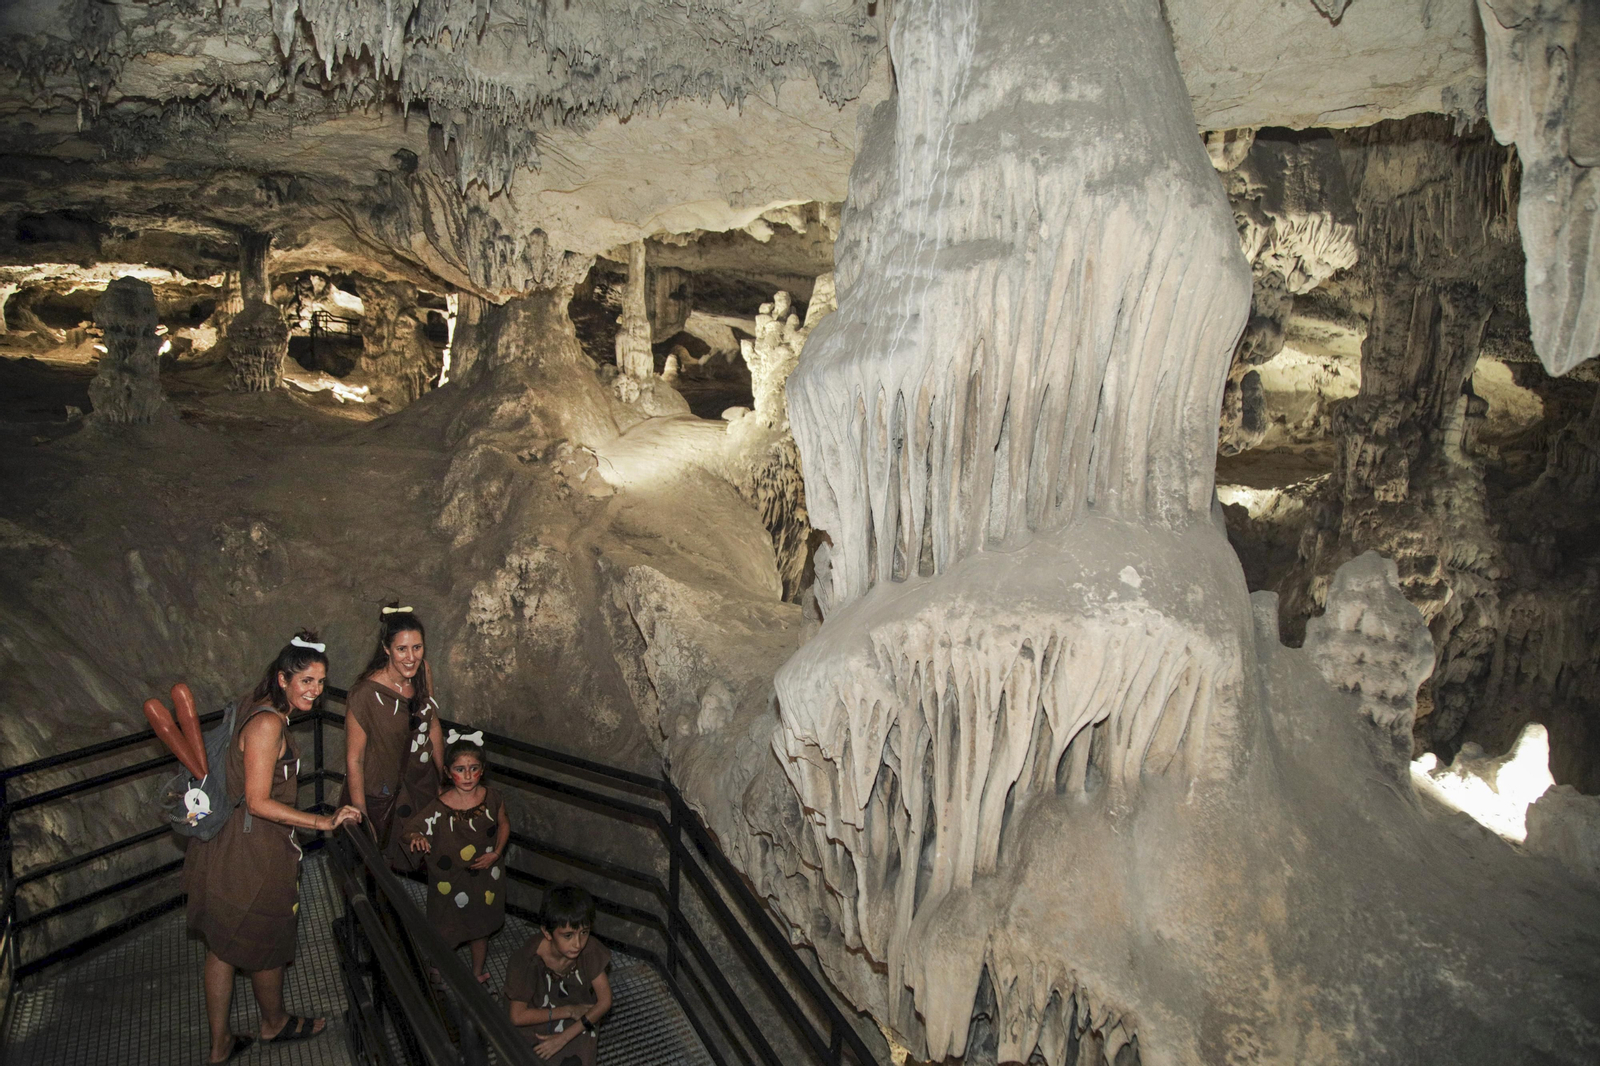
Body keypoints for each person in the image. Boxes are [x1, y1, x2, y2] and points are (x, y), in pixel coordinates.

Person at [183, 631, 363, 1064]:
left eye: (320, 682)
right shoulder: (267, 725)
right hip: (252, 855)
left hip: (226, 847)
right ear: (282, 679)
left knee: (221, 948)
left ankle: (220, 1044)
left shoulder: (255, 703)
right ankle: (274, 1022)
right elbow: (261, 801)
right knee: (266, 937)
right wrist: (324, 821)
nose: (315, 692)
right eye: (305, 681)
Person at [400, 728, 509, 984]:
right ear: (449, 772)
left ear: (482, 769)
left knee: (480, 926)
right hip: (449, 879)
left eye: (473, 768)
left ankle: (476, 972)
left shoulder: (493, 798)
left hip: (484, 875)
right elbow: (410, 829)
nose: (468, 775)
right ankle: (437, 970)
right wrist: (417, 837)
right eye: (460, 769)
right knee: (446, 924)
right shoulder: (440, 807)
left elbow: (503, 824)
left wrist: (497, 852)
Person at [343, 604, 445, 859]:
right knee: (377, 863)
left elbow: (432, 723)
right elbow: (355, 759)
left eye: (417, 647)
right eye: (402, 649)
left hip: (420, 784)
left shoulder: (423, 672)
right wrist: (361, 815)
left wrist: (444, 778)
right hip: (384, 792)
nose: (411, 657)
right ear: (387, 649)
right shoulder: (365, 695)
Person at [504, 883, 613, 1066]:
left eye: (584, 932)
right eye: (568, 935)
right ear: (547, 932)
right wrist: (569, 1011)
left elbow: (605, 1002)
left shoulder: (589, 949)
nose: (578, 944)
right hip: (536, 1011)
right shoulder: (528, 961)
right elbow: (517, 1016)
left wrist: (562, 1038)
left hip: (576, 1011)